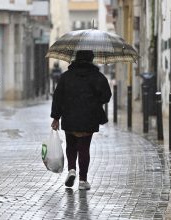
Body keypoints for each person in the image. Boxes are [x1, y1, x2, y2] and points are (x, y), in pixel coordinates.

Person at [50, 50, 111, 190]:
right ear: (91, 59)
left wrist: (56, 117)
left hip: (69, 116)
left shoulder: (66, 76)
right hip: (89, 117)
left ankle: (72, 170)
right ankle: (83, 180)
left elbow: (58, 97)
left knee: (71, 146)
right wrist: (95, 101)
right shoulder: (98, 76)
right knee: (84, 148)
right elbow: (106, 96)